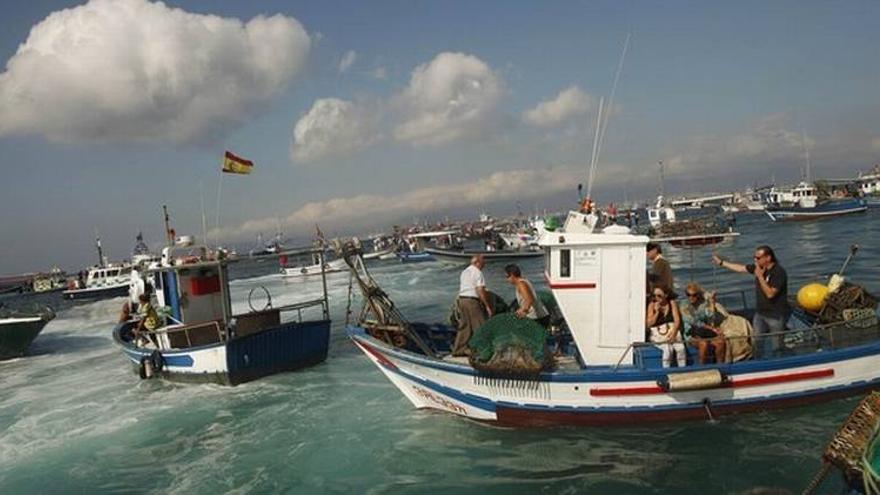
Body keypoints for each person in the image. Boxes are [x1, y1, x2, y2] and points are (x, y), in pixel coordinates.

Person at [712, 245, 789, 358]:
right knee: (757, 342)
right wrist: (721, 263)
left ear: (768, 258)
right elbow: (741, 268)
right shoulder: (759, 269)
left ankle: (779, 365)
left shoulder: (778, 272)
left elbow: (770, 294)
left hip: (775, 315)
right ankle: (758, 361)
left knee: (777, 345)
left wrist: (760, 277)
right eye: (754, 257)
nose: (755, 260)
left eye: (758, 258)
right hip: (760, 313)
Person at [452, 255, 493, 356]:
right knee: (480, 325)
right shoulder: (477, 272)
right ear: (477, 262)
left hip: (462, 300)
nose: (484, 265)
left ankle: (458, 349)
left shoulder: (464, 272)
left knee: (465, 326)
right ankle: (484, 351)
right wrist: (487, 305)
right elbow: (480, 290)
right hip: (471, 301)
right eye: (483, 263)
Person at [679, 282, 728, 365]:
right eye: (688, 295)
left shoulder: (703, 304)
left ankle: (720, 366)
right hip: (691, 334)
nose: (691, 297)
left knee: (720, 342)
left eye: (694, 295)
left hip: (704, 332)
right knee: (703, 343)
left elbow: (710, 316)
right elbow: (692, 321)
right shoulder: (684, 305)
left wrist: (712, 302)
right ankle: (702, 367)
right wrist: (712, 328)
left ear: (698, 295)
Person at [646, 285, 686, 368]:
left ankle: (682, 370)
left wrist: (674, 333)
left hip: (672, 330)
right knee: (668, 350)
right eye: (654, 295)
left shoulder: (671, 303)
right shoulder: (652, 305)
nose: (656, 298)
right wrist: (656, 312)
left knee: (680, 349)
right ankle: (666, 372)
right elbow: (649, 323)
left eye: (659, 296)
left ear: (666, 295)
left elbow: (677, 320)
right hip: (658, 334)